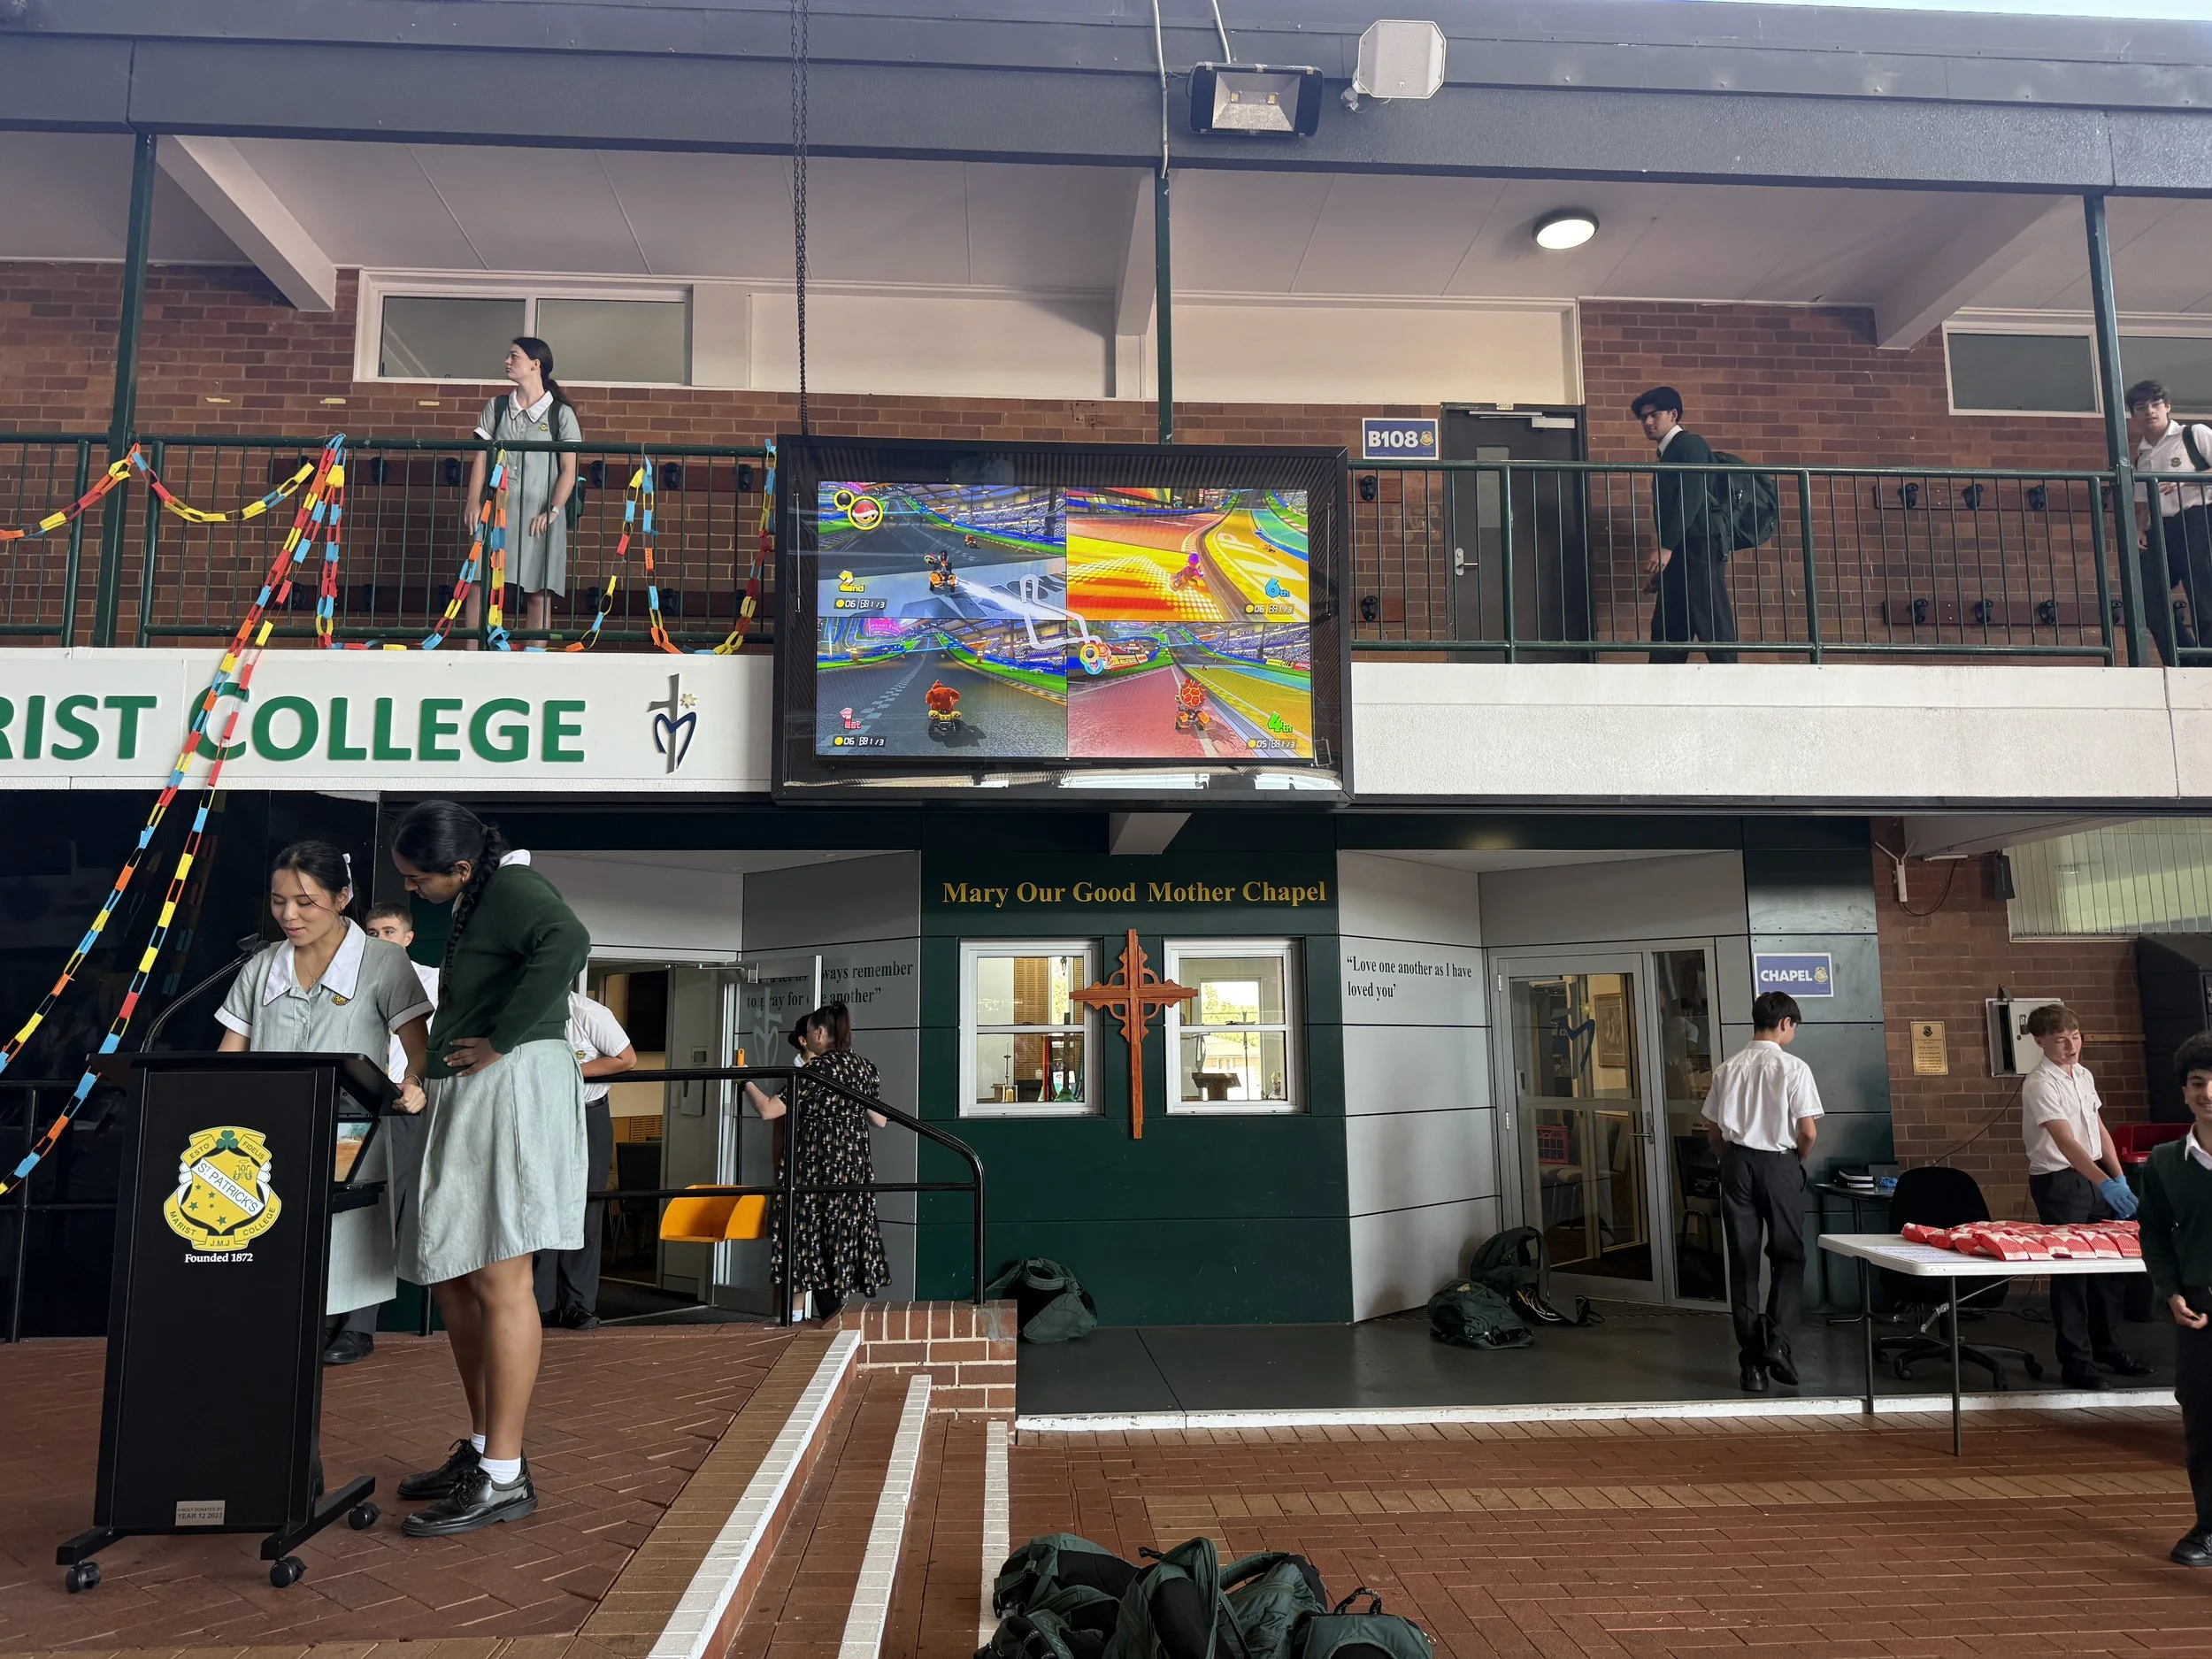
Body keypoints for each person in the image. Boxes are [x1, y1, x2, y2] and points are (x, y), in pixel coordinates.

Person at [388, 800, 591, 1538]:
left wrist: (504, 1036)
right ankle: (482, 1447)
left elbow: (569, 939)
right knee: (456, 1274)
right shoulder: (484, 894)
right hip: (475, 1094)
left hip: (510, 1089)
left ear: (462, 866)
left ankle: (503, 1474)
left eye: (418, 879)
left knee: (501, 1277)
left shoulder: (511, 887)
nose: (412, 891)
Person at [216, 848, 432, 1367]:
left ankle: (356, 1328)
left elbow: (418, 1043)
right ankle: (285, 1322)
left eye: (306, 902)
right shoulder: (263, 964)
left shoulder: (382, 960)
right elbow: (230, 1050)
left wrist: (415, 1081)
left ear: (342, 899)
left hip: (353, 1122)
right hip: (271, 1124)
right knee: (275, 1222)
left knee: (354, 1227)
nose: (289, 915)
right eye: (279, 902)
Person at [319, 901, 445, 1366]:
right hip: (344, 1102)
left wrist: (416, 1086)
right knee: (332, 1212)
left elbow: (436, 1047)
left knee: (379, 1213)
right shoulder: (350, 977)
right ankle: (323, 1319)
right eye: (371, 931)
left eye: (388, 931)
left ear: (408, 937)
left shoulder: (433, 981)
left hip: (401, 1104)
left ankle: (358, 1328)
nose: (378, 939)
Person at [2018, 1002, 2151, 1390]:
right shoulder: (2040, 1083)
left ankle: (2109, 1348)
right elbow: (2064, 1139)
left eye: (2075, 1038)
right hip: (2061, 1181)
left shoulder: (2083, 1075)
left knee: (2111, 1266)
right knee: (2073, 1272)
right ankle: (2077, 1362)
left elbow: (2097, 1127)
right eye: (2060, 1041)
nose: (2071, 1047)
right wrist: (2102, 1182)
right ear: (2040, 1041)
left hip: (2095, 1173)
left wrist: (2118, 1177)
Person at [1701, 991, 1822, 1392]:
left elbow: (1713, 1131)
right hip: (1779, 1165)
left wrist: (1728, 1160)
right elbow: (1807, 1132)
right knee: (1789, 1256)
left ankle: (1751, 1365)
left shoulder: (1726, 1068)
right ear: (1786, 1022)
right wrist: (1795, 1162)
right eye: (1794, 1028)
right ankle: (1779, 1346)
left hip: (1736, 1164)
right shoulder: (1794, 1068)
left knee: (1743, 1263)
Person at [742, 1002, 889, 1322]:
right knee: (839, 1240)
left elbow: (769, 1110)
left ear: (820, 1033)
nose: (806, 1039)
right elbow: (879, 1120)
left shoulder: (813, 1071)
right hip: (852, 1170)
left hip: (814, 1167)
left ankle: (793, 1320)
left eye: (809, 1033)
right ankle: (835, 1318)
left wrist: (745, 1082)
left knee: (804, 1240)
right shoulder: (866, 1068)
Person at [2139, 1031, 2212, 1567]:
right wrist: (2171, 1293)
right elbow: (2155, 1237)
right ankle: (2209, 1527)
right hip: (2201, 1310)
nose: (2208, 1092)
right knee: (2204, 1420)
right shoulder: (2166, 1161)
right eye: (2197, 1083)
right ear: (2185, 1092)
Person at [463, 337, 580, 641]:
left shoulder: (561, 414)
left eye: (514, 356)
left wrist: (553, 509)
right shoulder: (497, 406)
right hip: (497, 510)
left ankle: (535, 660)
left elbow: (569, 470)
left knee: (539, 592)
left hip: (540, 515)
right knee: (478, 584)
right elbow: (481, 456)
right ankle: (470, 656)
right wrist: (473, 501)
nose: (507, 361)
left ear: (535, 364)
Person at [534, 991, 637, 1331]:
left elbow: (626, 1058)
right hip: (542, 1116)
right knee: (540, 1207)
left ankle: (577, 1305)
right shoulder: (524, 1007)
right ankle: (542, 1304)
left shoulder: (588, 1012)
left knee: (586, 1209)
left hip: (588, 1114)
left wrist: (570, 1070)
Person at [1631, 387, 1739, 664]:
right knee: (1670, 625)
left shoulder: (1689, 445)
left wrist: (1666, 548)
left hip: (1699, 544)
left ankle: (1736, 686)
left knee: (1710, 619)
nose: (1648, 423)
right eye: (1643, 418)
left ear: (1673, 414)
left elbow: (1689, 498)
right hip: (1683, 548)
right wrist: (1667, 557)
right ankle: (1662, 693)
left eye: (1654, 415)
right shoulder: (1670, 451)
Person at [2128, 379, 2212, 664]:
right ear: (2133, 414)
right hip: (2160, 527)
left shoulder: (2193, 435)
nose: (2150, 411)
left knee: (2203, 592)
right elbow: (2141, 502)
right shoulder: (2141, 456)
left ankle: (2209, 659)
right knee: (2149, 596)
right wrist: (2140, 527)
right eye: (2141, 407)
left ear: (2167, 407)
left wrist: (2185, 480)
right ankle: (2184, 660)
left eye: (2155, 404)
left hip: (2199, 518)